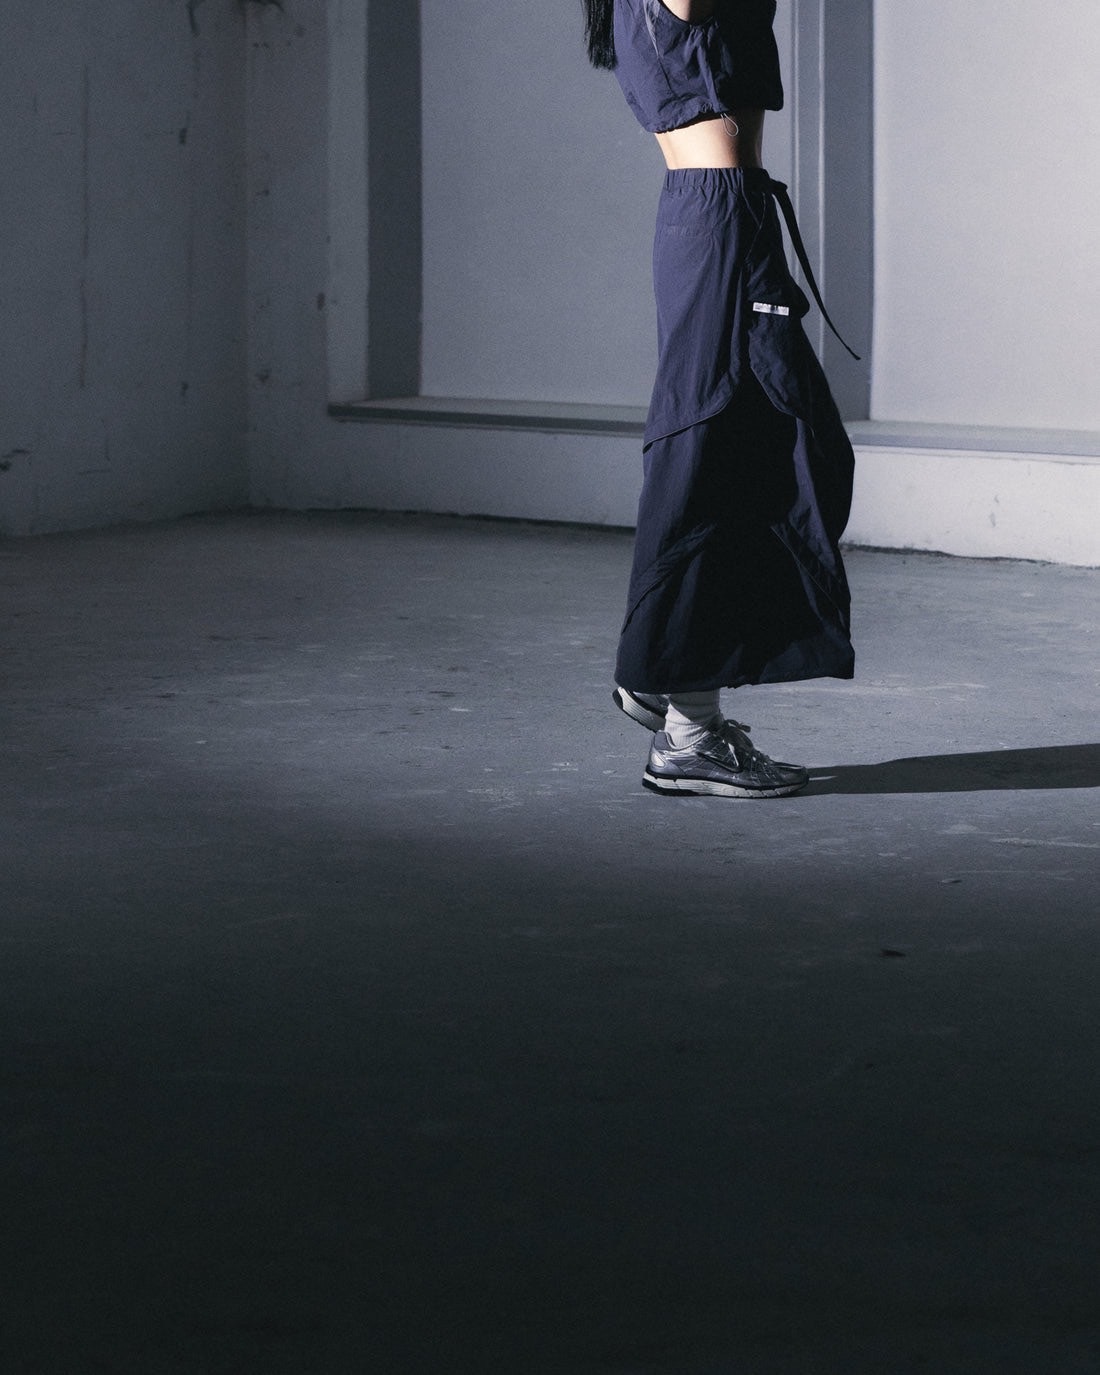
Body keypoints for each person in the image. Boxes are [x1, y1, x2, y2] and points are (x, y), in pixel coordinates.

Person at [583, 0, 858, 799]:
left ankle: (668, 680)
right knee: (713, 456)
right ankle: (683, 720)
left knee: (744, 451)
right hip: (719, 221)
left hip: (725, 217)